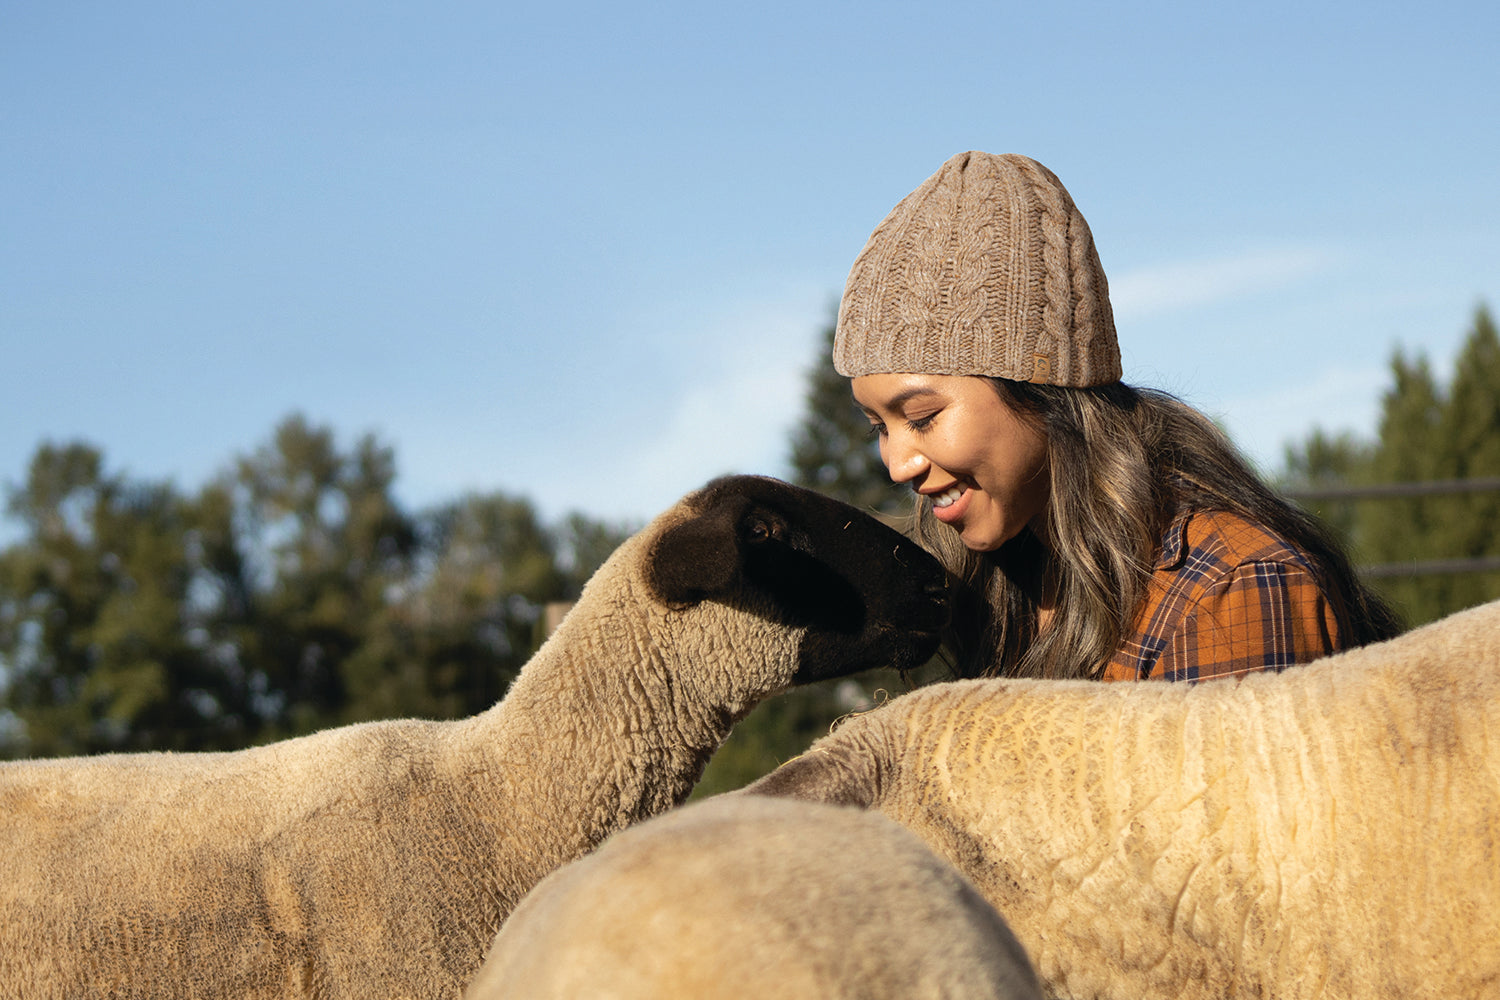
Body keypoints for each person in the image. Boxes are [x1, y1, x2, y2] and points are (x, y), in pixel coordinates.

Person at [833, 150, 1401, 681]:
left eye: (924, 417)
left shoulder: (1232, 594)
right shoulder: (1008, 579)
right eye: (880, 427)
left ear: (1045, 386)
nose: (898, 464)